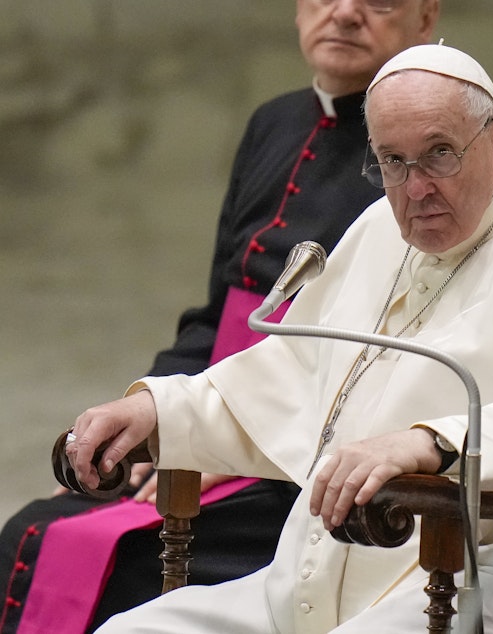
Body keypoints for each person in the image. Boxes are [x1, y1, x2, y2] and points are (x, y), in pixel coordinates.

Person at [68, 44, 493, 633]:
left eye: (440, 153)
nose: (415, 188)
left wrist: (432, 443)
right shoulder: (381, 229)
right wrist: (160, 409)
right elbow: (292, 376)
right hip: (322, 583)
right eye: (392, 161)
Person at [0, 1, 440, 632]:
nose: (344, 14)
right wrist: (151, 416)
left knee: (86, 549)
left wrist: (228, 443)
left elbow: (386, 353)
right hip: (211, 410)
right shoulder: (274, 123)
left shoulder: (418, 157)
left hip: (302, 459)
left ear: (425, 19)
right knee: (38, 526)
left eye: (377, 1)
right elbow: (216, 311)